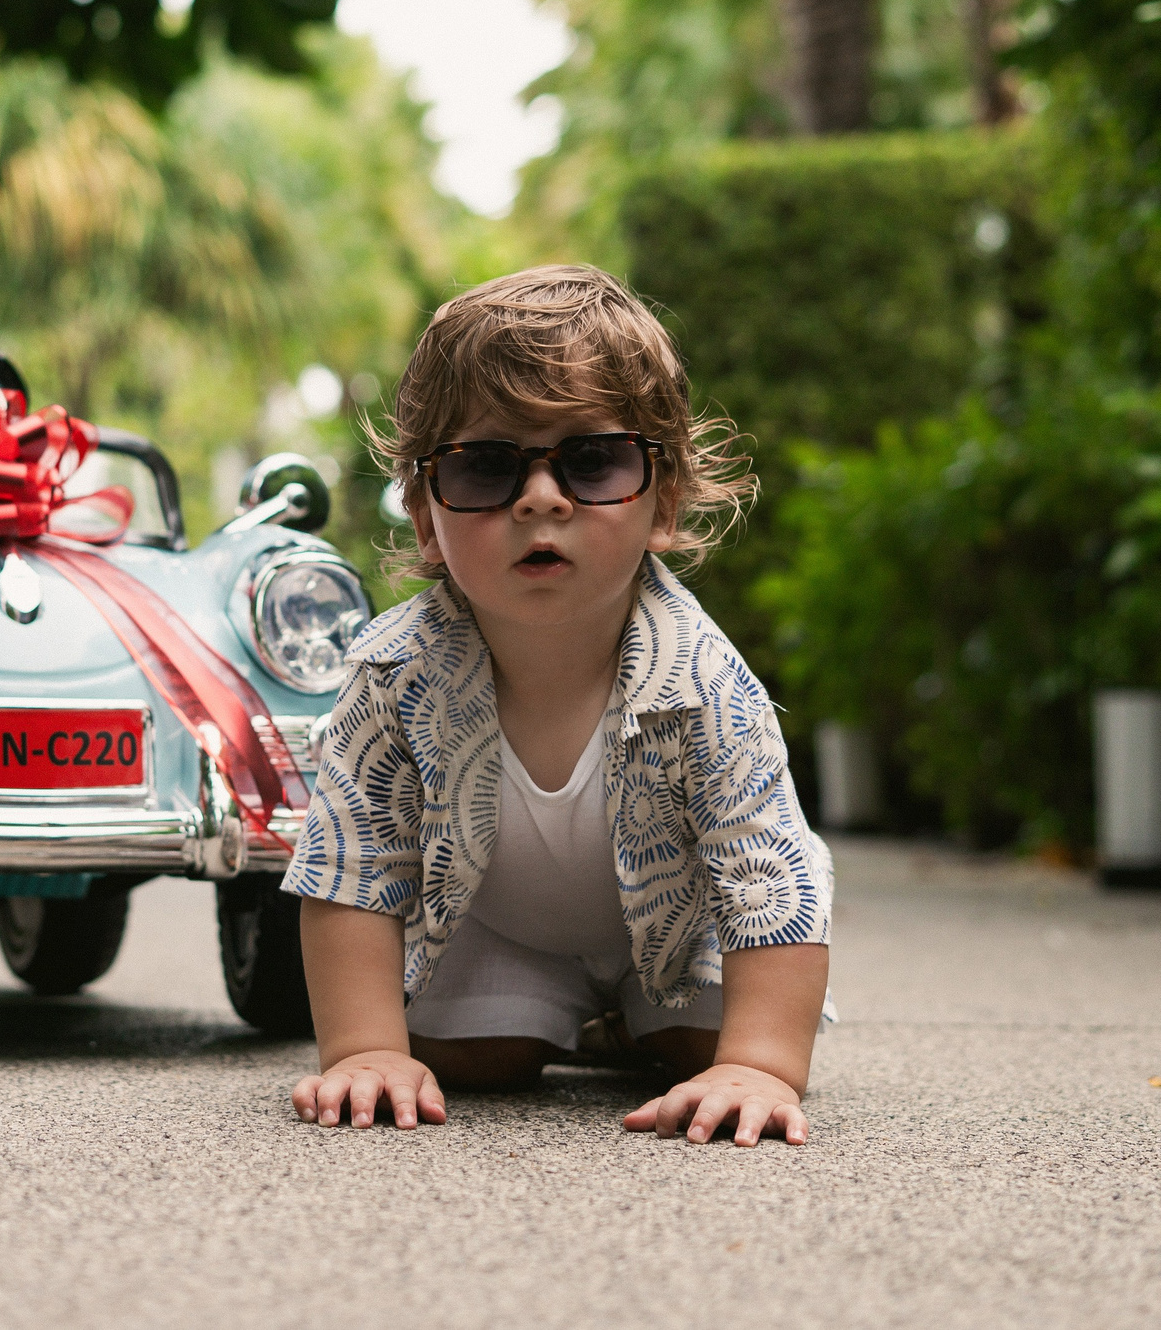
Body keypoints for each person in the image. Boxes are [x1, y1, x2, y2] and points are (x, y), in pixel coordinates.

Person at [280, 264, 834, 1149]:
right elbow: (353, 865)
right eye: (486, 467)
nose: (542, 496)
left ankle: (629, 1014)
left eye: (592, 460)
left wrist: (760, 1065)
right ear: (425, 514)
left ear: (665, 498)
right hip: (499, 927)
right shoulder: (392, 674)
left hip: (682, 927)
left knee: (702, 1051)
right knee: (475, 1056)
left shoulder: (705, 683)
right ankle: (569, 1008)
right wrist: (365, 1048)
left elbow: (770, 882)